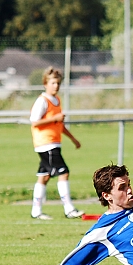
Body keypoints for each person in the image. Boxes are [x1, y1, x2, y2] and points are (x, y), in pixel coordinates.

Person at [29, 66, 84, 220]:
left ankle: (36, 211)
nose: (56, 86)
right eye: (53, 83)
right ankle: (69, 209)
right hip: (46, 143)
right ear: (45, 84)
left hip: (54, 142)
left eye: (58, 83)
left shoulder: (56, 100)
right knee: (63, 172)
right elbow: (35, 122)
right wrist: (55, 118)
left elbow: (59, 124)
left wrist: (72, 138)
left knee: (44, 176)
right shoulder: (42, 101)